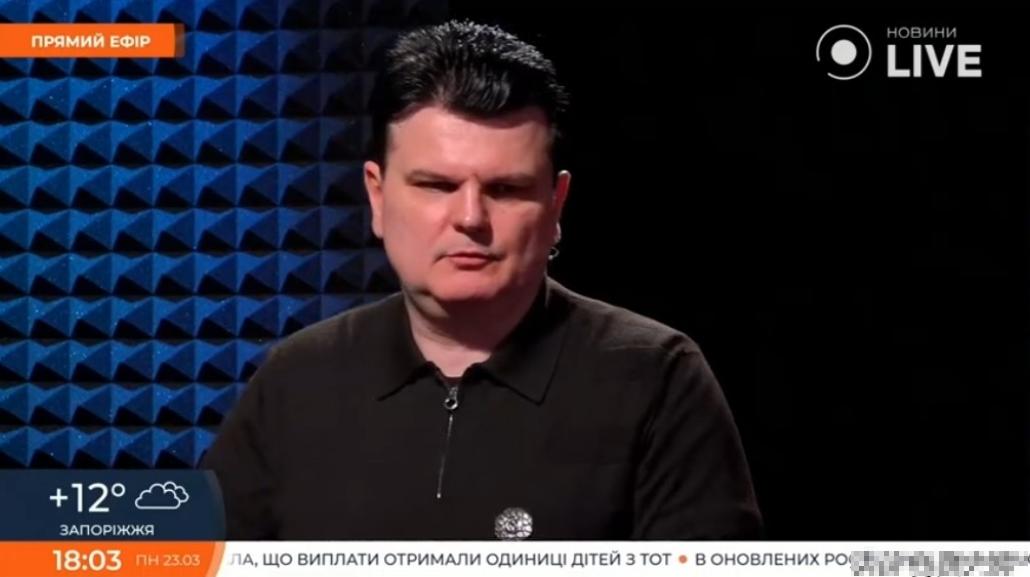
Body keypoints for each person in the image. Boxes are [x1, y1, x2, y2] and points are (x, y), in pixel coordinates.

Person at [200, 19, 762, 540]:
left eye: (506, 189)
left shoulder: (655, 379)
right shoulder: (296, 380)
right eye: (436, 186)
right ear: (378, 195)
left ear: (556, 204)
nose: (470, 218)